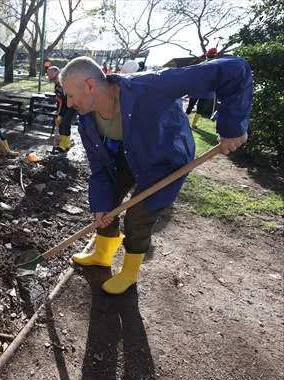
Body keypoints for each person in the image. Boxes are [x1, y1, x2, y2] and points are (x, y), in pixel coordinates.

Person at [60, 55, 251, 295]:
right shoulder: (87, 120)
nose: (68, 103)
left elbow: (234, 69)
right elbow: (100, 168)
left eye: (69, 94)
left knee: (138, 216)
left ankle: (129, 273)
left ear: (89, 86)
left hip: (164, 159)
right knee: (105, 204)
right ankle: (102, 255)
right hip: (128, 154)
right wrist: (100, 205)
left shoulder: (150, 85)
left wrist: (232, 127)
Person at [47, 65, 77, 152]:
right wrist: (58, 113)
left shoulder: (65, 82)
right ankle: (63, 143)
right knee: (60, 123)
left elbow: (69, 98)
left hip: (73, 105)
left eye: (50, 73)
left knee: (65, 122)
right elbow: (60, 100)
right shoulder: (57, 85)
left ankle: (65, 144)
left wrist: (61, 113)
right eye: (48, 73)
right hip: (64, 106)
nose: (48, 75)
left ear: (56, 72)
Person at [186, 47, 219, 126]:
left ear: (207, 55)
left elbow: (194, 75)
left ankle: (184, 122)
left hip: (197, 87)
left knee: (190, 106)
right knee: (200, 107)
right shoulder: (217, 64)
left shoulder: (202, 64)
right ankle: (193, 124)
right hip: (207, 89)